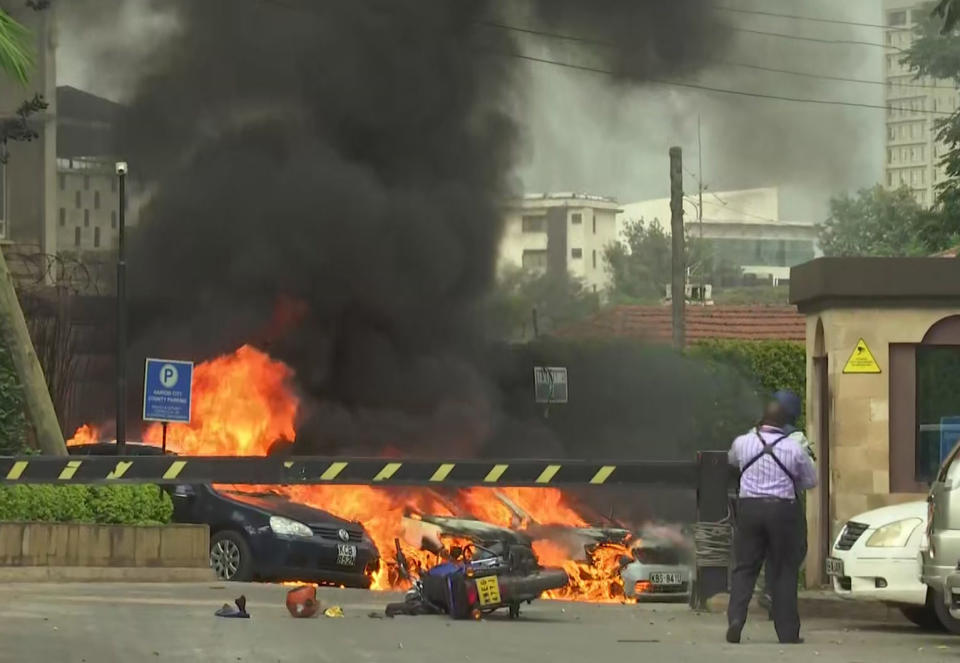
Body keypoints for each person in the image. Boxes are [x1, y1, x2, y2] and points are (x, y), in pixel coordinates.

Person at [726, 391, 818, 645]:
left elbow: (732, 462)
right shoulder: (794, 448)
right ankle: (787, 632)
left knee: (745, 567)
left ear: (762, 420)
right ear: (784, 423)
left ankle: (736, 619)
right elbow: (811, 481)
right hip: (783, 511)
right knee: (783, 571)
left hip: (749, 510)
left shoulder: (743, 442)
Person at [757, 390, 816, 618]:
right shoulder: (796, 439)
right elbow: (809, 474)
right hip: (786, 503)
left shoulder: (754, 436)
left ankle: (770, 595)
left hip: (754, 502)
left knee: (770, 551)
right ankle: (777, 598)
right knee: (794, 551)